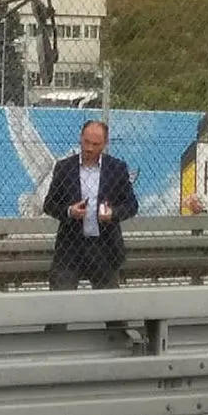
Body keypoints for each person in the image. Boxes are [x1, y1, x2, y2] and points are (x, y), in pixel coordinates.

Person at [43, 120, 139, 290]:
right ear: (80, 138)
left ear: (105, 144)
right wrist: (69, 211)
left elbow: (131, 205)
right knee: (61, 299)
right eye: (86, 142)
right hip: (70, 246)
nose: (89, 148)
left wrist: (113, 213)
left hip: (104, 246)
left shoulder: (116, 168)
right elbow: (49, 204)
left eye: (95, 144)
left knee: (108, 303)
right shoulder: (65, 168)